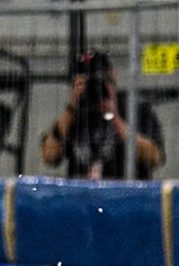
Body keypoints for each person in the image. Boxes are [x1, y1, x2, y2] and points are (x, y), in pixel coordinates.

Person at [41, 50, 164, 180]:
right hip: (82, 196)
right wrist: (71, 107)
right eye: (85, 82)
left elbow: (155, 158)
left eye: (99, 80)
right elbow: (50, 157)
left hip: (126, 195)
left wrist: (115, 118)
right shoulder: (71, 117)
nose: (93, 87)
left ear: (112, 76)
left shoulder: (136, 109)